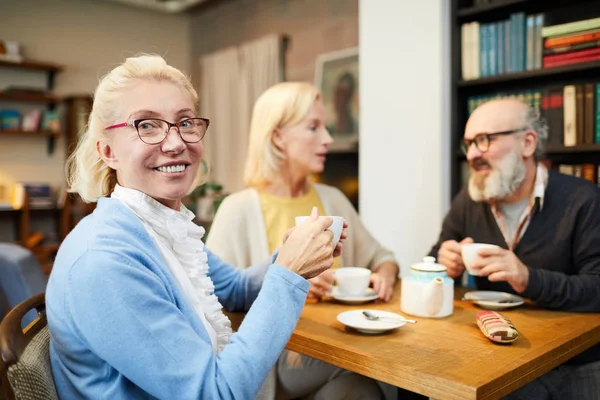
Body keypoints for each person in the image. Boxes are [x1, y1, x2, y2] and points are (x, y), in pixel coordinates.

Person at [45, 54, 351, 400]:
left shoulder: (155, 227)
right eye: (146, 125)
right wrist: (289, 275)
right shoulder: (105, 261)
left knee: (356, 384)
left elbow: (234, 288)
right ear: (107, 151)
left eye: (186, 122)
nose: (176, 143)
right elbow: (214, 394)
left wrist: (290, 254)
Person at [206, 82, 401, 400]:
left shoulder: (332, 199)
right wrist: (294, 283)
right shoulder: (238, 209)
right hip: (280, 357)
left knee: (360, 391)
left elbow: (382, 256)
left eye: (325, 127)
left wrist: (384, 277)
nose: (328, 139)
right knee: (387, 360)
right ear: (278, 137)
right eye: (314, 127)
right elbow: (216, 307)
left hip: (336, 341)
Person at [428, 99, 600, 399]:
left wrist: (528, 278)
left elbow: (597, 288)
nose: (471, 155)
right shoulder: (470, 201)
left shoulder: (582, 199)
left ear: (528, 143)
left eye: (484, 141)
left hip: (576, 360)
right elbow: (433, 259)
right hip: (499, 356)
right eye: (468, 144)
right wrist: (443, 264)